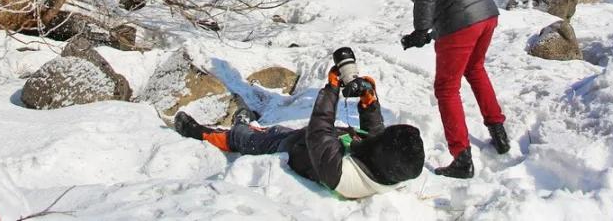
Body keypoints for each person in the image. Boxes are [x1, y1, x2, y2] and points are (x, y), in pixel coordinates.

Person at [374, 0, 509, 179]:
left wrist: (421, 29)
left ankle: (461, 158)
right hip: (486, 12)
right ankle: (499, 134)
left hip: (459, 18)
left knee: (446, 88)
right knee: (475, 68)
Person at [172, 59, 425, 199]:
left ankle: (198, 130)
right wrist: (368, 99)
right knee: (270, 131)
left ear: (382, 154)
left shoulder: (341, 176)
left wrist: (332, 88)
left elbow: (319, 130)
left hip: (293, 148)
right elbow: (376, 133)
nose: (381, 137)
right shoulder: (388, 166)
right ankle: (246, 122)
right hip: (306, 141)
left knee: (245, 138)